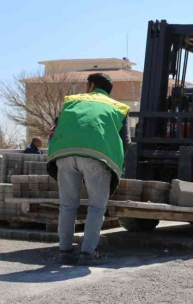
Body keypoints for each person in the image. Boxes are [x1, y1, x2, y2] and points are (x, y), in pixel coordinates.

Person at [47, 73, 131, 265]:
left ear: (91, 85)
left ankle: (64, 251)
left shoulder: (72, 101)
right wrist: (114, 165)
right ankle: (87, 253)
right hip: (97, 157)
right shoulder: (118, 108)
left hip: (64, 154)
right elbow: (126, 142)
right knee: (96, 207)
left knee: (67, 206)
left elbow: (56, 128)